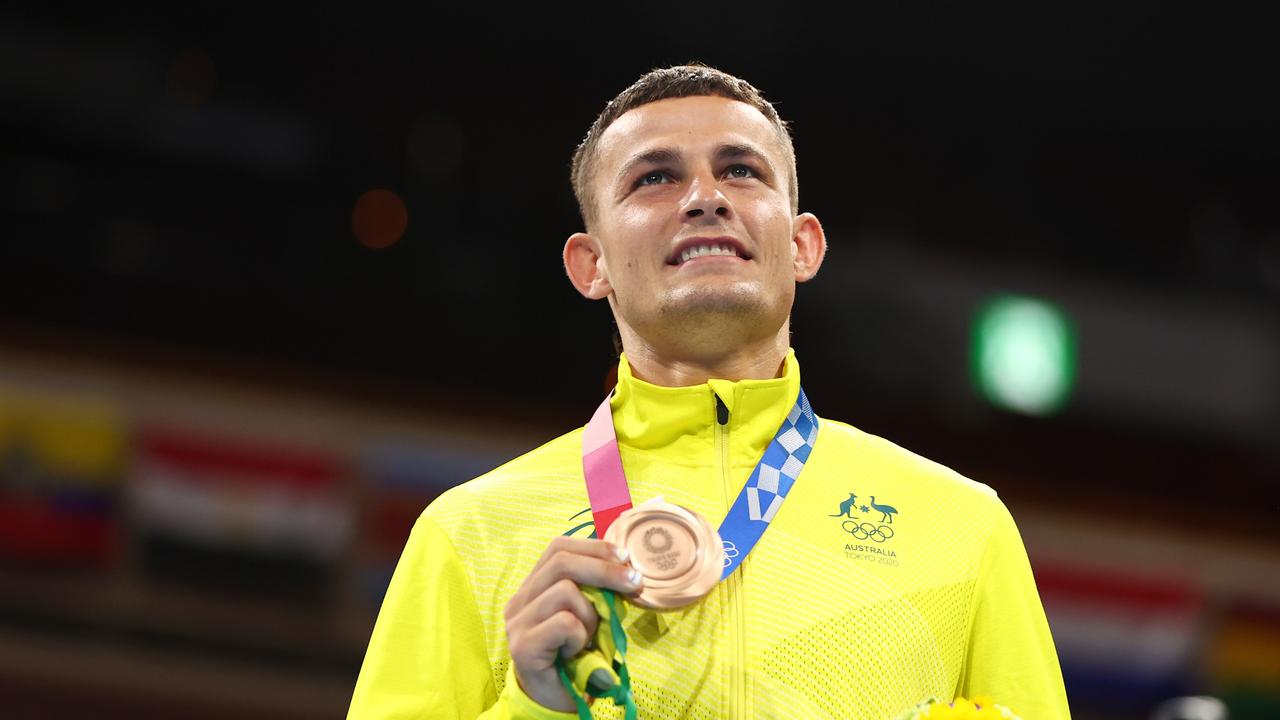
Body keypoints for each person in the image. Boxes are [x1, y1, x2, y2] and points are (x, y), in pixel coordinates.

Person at [348, 64, 1070, 720]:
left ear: (802, 246)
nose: (705, 198)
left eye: (741, 171)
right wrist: (535, 708)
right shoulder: (468, 533)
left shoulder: (962, 527)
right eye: (654, 178)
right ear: (590, 265)